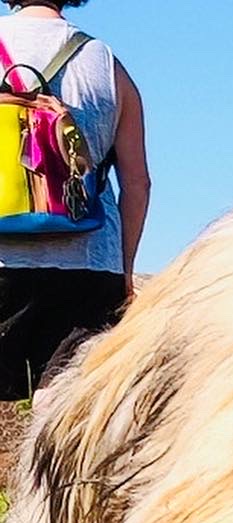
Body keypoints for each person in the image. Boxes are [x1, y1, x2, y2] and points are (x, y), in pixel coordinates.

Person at [0, 0, 149, 400]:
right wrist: (126, 271)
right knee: (60, 411)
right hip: (88, 266)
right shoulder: (106, 63)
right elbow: (137, 183)